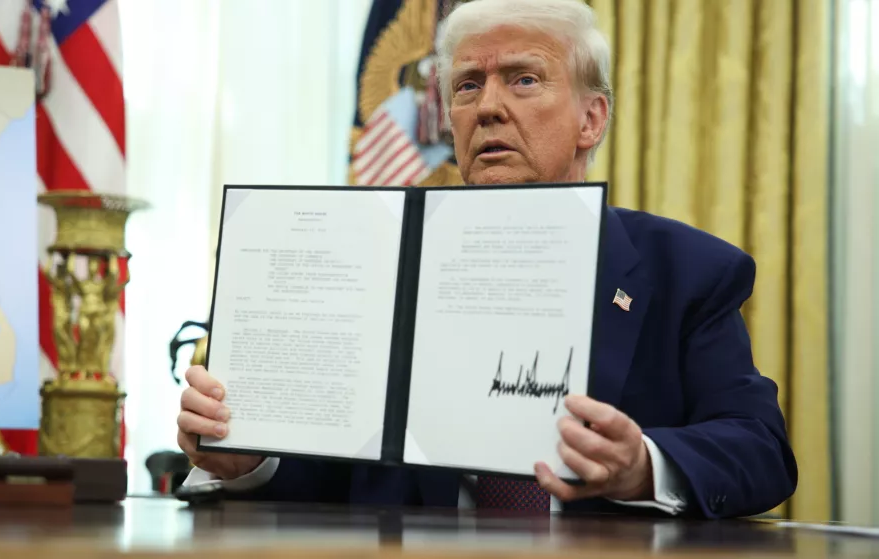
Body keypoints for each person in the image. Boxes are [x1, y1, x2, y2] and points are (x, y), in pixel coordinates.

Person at [176, 0, 797, 519]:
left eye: (524, 79)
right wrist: (248, 460)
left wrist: (641, 464)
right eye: (468, 86)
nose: (489, 107)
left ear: (592, 117)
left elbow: (760, 450)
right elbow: (340, 479)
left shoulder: (686, 272)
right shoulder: (380, 271)